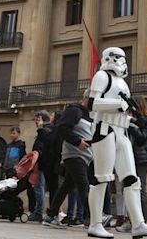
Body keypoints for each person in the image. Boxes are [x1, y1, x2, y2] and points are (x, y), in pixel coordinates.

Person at [87, 47, 147, 238]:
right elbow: (92, 104)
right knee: (102, 178)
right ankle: (95, 224)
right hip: (104, 130)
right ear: (109, 58)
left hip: (121, 132)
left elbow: (123, 109)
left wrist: (130, 120)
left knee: (131, 178)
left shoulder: (122, 82)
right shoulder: (102, 76)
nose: (121, 61)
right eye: (118, 57)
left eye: (123, 57)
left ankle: (138, 224)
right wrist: (118, 105)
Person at [42, 89, 93, 228]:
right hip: (74, 155)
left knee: (66, 187)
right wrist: (77, 142)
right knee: (83, 185)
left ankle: (51, 216)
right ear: (88, 98)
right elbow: (62, 129)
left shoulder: (89, 114)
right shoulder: (74, 111)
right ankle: (93, 218)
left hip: (83, 156)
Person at [129, 95, 147, 222]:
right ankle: (132, 219)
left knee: (141, 189)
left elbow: (143, 137)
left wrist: (132, 126)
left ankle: (144, 219)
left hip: (141, 157)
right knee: (129, 189)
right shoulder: (130, 119)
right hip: (129, 156)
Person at [29, 110, 54, 222]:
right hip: (43, 163)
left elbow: (40, 147)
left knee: (39, 188)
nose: (35, 121)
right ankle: (39, 211)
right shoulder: (46, 130)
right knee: (39, 187)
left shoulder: (45, 130)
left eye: (37, 119)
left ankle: (39, 212)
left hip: (42, 163)